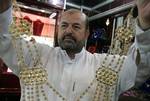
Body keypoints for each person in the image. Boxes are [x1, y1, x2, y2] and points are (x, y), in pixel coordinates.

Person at [0, 0, 149, 101]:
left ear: (87, 33)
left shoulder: (106, 65)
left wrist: (145, 25)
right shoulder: (34, 56)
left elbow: (138, 69)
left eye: (76, 27)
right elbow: (4, 38)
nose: (68, 31)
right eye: (64, 26)